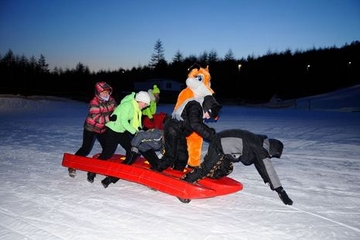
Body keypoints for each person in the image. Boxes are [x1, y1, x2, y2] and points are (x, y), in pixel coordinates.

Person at [181, 129, 293, 205]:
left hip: (227, 150)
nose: (270, 156)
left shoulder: (260, 143)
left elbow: (261, 166)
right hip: (219, 145)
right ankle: (185, 182)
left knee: (226, 169)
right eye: (272, 155)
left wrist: (270, 183)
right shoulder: (259, 147)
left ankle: (209, 177)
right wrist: (280, 190)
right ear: (271, 149)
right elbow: (268, 168)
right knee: (206, 168)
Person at [87, 91, 150, 187]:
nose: (145, 106)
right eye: (145, 103)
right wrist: (135, 132)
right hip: (113, 129)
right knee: (108, 153)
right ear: (140, 100)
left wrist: (140, 131)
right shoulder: (127, 106)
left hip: (121, 130)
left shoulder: (136, 108)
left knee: (132, 151)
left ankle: (112, 178)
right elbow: (123, 121)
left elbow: (135, 123)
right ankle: (92, 171)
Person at [153, 95, 222, 172]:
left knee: (183, 157)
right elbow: (195, 124)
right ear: (207, 108)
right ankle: (155, 170)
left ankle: (176, 174)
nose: (208, 118)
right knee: (170, 156)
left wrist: (212, 132)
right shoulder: (194, 106)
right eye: (209, 115)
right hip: (172, 129)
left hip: (180, 133)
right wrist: (211, 136)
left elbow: (198, 124)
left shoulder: (199, 109)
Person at [68, 81, 117, 178]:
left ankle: (101, 165)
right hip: (90, 128)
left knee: (107, 148)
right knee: (85, 149)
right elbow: (96, 118)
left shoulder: (111, 100)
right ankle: (72, 166)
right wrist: (109, 118)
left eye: (107, 92)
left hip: (102, 129)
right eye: (103, 92)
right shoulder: (94, 102)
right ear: (98, 92)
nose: (106, 94)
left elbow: (116, 109)